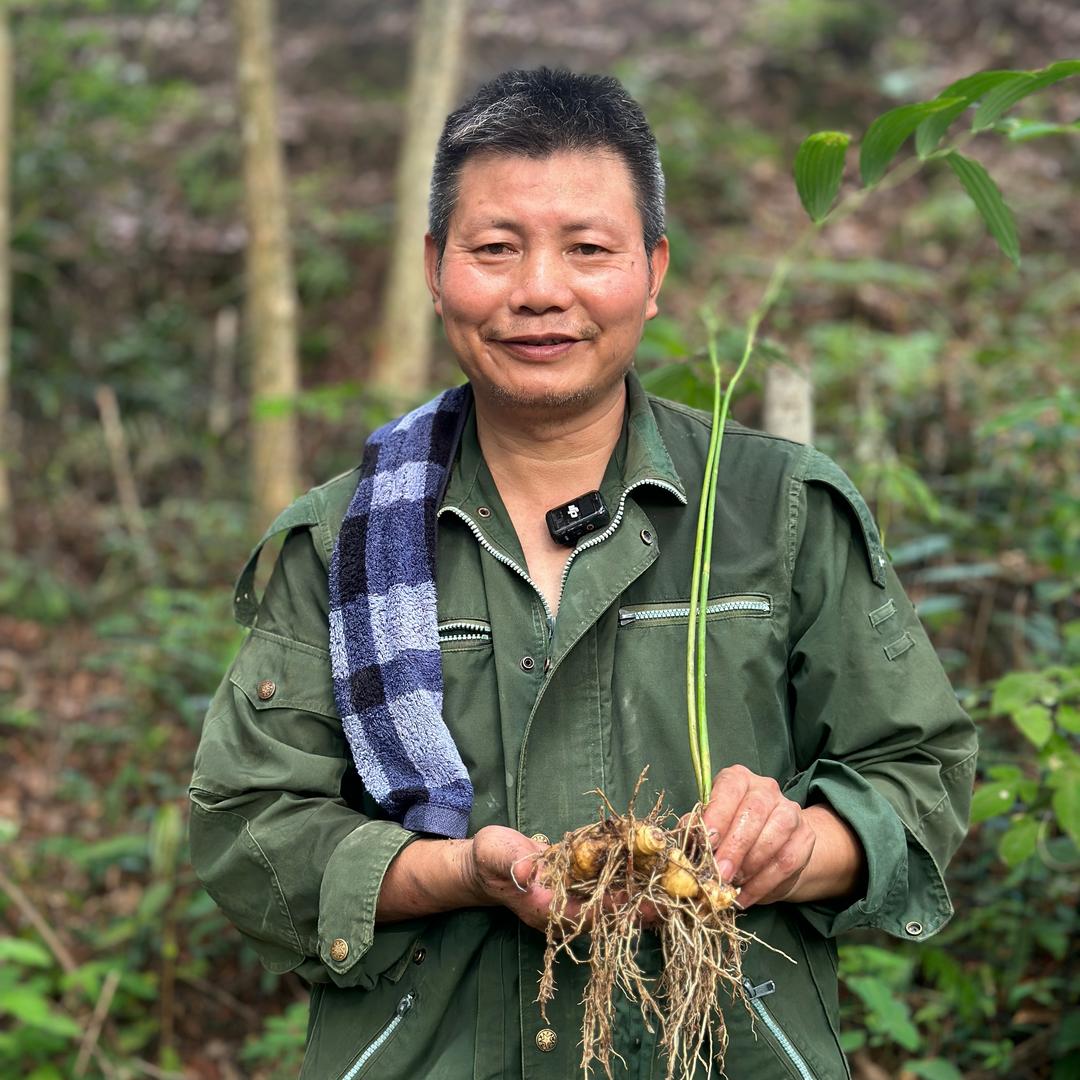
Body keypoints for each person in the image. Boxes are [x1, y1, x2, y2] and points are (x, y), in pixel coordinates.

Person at [189, 68, 977, 1079]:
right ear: (436, 268)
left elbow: (920, 777)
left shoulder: (774, 509)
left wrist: (797, 846)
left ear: (653, 270)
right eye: (496, 248)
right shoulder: (347, 538)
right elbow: (248, 827)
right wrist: (458, 873)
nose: (539, 291)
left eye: (588, 249)